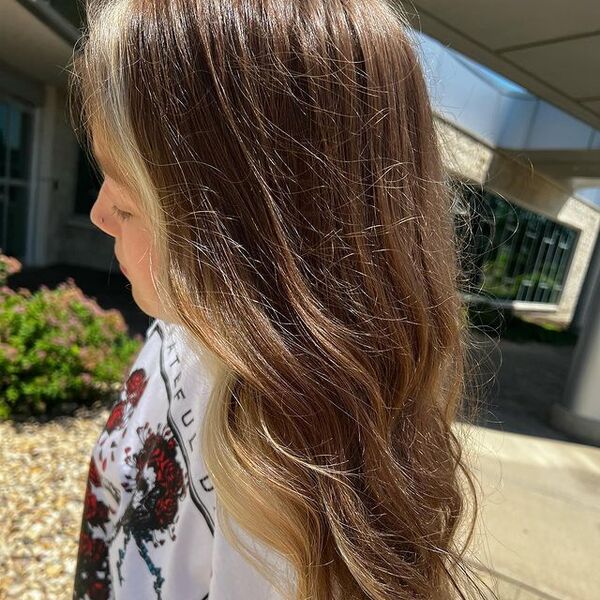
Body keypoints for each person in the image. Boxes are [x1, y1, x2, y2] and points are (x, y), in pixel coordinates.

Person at [68, 0, 491, 599]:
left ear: (243, 236)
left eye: (130, 199)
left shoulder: (287, 485)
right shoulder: (186, 325)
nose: (98, 213)